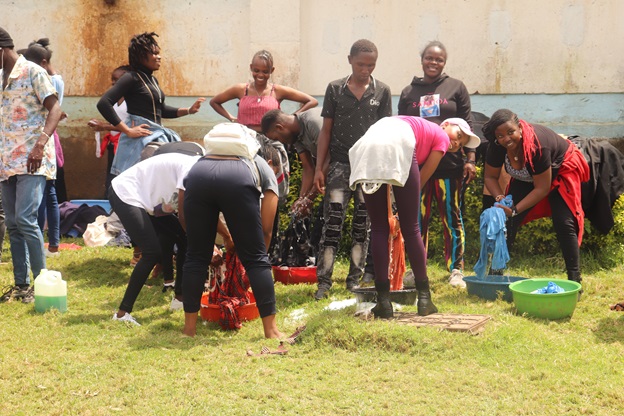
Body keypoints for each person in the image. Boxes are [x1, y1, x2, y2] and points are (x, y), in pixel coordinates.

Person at [350, 116, 480, 318]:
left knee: (378, 228)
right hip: (398, 141)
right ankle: (425, 300)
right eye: (459, 135)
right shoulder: (440, 135)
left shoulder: (415, 125)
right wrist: (406, 203)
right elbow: (424, 174)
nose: (456, 143)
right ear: (445, 125)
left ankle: (383, 303)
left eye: (461, 145)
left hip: (367, 144)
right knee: (411, 228)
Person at [181, 125, 284, 338]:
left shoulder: (201, 161)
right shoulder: (260, 163)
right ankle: (271, 331)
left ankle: (189, 330)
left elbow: (183, 205)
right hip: (238, 178)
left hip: (198, 180)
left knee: (195, 258)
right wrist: (256, 258)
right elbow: (266, 227)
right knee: (257, 259)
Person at [312, 39, 392, 299]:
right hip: (338, 167)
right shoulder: (335, 89)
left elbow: (385, 135)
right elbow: (326, 131)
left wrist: (385, 173)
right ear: (349, 60)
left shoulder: (382, 91)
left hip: (368, 171)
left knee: (362, 225)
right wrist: (318, 169)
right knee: (332, 224)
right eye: (361, 64)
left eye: (371, 65)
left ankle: (354, 281)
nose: (365, 70)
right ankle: (324, 282)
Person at [398, 41, 477, 288]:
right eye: (429, 58)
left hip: (449, 166)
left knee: (451, 219)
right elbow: (403, 128)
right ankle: (414, 269)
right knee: (416, 220)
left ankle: (456, 269)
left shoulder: (456, 87)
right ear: (422, 60)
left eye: (439, 59)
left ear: (444, 62)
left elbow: (467, 123)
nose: (434, 63)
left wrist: (470, 159)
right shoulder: (409, 91)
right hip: (417, 167)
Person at [482, 109, 589, 286]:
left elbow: (542, 188)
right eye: (500, 136)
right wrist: (500, 198)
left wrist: (515, 209)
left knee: (564, 222)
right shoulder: (496, 145)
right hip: (528, 176)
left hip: (561, 169)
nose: (506, 139)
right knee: (506, 221)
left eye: (510, 132)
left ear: (520, 128)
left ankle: (574, 279)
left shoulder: (537, 146)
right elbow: (490, 177)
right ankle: (496, 273)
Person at [0, 27, 62, 303]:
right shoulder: (0, 78)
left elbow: (55, 108)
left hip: (32, 157)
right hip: (6, 159)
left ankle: (42, 284)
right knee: (13, 223)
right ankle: (22, 285)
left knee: (25, 219)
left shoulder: (32, 71)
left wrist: (40, 143)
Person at [109, 151, 202, 325]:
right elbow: (183, 214)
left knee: (185, 240)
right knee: (152, 252)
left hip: (149, 202)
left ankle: (179, 299)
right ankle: (122, 313)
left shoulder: (201, 167)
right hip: (126, 192)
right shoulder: (193, 168)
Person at [97, 32, 205, 177]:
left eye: (158, 53)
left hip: (156, 133)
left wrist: (188, 110)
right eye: (154, 53)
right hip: (141, 139)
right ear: (141, 56)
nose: (159, 57)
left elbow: (161, 110)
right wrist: (128, 130)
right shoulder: (131, 77)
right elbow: (104, 103)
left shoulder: (152, 80)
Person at [23, 38, 65, 258]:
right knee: (48, 194)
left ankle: (46, 243)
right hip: (47, 137)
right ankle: (50, 243)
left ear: (42, 62)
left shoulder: (50, 79)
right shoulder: (52, 77)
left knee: (46, 194)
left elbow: (53, 110)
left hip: (45, 138)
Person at [261, 107, 322, 216]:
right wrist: (301, 200)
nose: (281, 142)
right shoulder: (295, 137)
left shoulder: (312, 122)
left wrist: (309, 199)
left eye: (277, 138)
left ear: (279, 127)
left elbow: (328, 162)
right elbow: (308, 168)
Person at [88, 65, 131, 197]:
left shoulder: (132, 101)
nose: (113, 82)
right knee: (111, 179)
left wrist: (104, 126)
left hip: (126, 145)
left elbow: (129, 127)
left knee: (123, 178)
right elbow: (116, 122)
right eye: (112, 79)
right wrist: (101, 124)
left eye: (116, 80)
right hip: (114, 145)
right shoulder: (113, 99)